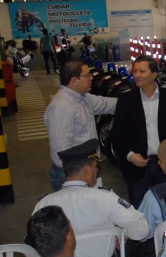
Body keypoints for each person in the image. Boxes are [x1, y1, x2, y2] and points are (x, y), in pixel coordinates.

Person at [34, 139, 149, 257]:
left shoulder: (44, 204)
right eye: (95, 166)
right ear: (87, 170)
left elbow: (35, 246)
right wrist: (121, 235)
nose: (97, 169)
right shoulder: (106, 198)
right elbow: (141, 229)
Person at [111, 55, 166, 208]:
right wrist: (129, 155)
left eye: (142, 71)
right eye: (135, 71)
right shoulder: (126, 100)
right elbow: (117, 134)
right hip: (138, 168)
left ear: (154, 74)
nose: (137, 75)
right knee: (140, 212)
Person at [44, 59, 117, 191]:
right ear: (74, 80)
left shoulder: (81, 98)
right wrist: (81, 177)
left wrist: (134, 99)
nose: (91, 78)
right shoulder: (61, 107)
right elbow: (60, 152)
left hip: (87, 168)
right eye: (87, 75)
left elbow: (106, 104)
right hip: (72, 175)